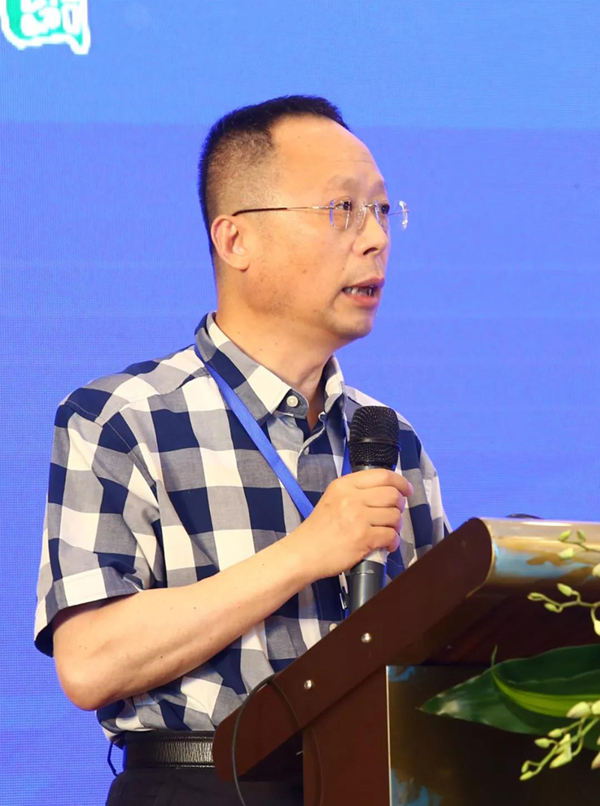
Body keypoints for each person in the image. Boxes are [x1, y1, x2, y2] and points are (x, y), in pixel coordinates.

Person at [34, 95, 450, 805]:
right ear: (235, 240)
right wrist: (306, 552)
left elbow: (434, 661)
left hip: (367, 785)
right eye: (343, 210)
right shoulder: (125, 419)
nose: (376, 238)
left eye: (383, 210)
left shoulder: (389, 439)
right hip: (200, 783)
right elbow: (90, 661)